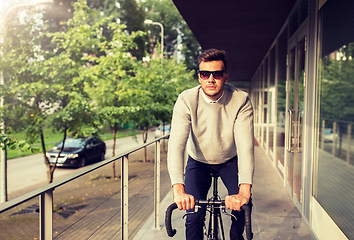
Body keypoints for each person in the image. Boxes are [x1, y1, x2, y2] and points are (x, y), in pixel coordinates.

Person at [167, 48, 255, 240]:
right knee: (194, 215)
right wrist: (179, 190)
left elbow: (246, 146)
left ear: (225, 76)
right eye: (205, 74)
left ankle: (234, 236)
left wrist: (244, 191)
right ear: (199, 77)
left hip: (230, 161)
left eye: (217, 74)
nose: (211, 79)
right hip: (198, 161)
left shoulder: (241, 100)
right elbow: (176, 145)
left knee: (242, 208)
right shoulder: (186, 99)